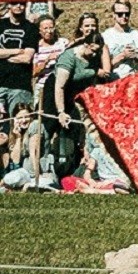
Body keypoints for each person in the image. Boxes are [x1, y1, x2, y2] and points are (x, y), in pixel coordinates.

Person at [45, 30, 104, 178]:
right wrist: (60, 112)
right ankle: (45, 169)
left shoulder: (93, 57)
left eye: (98, 51)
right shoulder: (69, 57)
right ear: (86, 45)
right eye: (93, 50)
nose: (95, 55)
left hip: (74, 94)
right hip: (55, 93)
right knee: (50, 125)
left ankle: (72, 169)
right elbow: (59, 86)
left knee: (75, 127)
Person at [0, 0, 39, 117]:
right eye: (14, 3)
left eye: (21, 3)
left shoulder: (31, 28)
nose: (18, 6)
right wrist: (16, 51)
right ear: (9, 5)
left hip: (20, 85)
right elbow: (22, 54)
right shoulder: (0, 25)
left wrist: (4, 55)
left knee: (20, 122)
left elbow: (27, 58)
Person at [101, 0, 138, 80]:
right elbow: (103, 68)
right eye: (120, 14)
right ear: (114, 15)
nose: (124, 16)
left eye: (127, 14)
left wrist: (137, 58)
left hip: (135, 80)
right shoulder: (105, 36)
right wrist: (123, 55)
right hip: (114, 81)